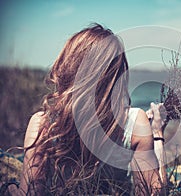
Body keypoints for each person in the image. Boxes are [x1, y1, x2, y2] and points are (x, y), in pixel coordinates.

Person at [6, 24, 167, 195]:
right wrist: (157, 134)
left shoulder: (43, 125)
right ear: (116, 75)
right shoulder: (135, 123)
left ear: (68, 66)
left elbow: (30, 193)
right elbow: (154, 192)